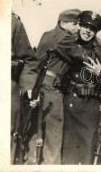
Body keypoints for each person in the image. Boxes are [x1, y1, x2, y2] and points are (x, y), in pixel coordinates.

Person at [24, 9, 88, 164]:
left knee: (36, 131)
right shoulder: (65, 38)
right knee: (54, 134)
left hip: (38, 84)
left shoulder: (47, 35)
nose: (78, 28)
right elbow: (83, 57)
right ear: (62, 23)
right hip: (52, 88)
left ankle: (31, 163)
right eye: (75, 24)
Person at [61, 10, 101, 164]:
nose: (88, 31)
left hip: (90, 107)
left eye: (93, 29)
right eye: (85, 26)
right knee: (68, 156)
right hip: (69, 105)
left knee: (88, 155)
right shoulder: (69, 44)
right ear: (79, 26)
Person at [11, 12, 38, 164]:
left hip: (7, 84)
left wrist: (28, 87)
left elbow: (29, 59)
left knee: (8, 133)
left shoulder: (13, 23)